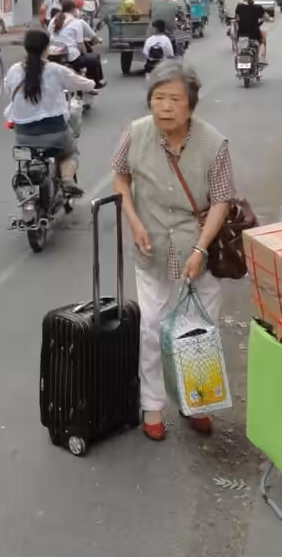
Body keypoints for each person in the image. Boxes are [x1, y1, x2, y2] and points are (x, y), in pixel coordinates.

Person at [112, 59, 235, 441]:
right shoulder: (135, 134)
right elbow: (120, 177)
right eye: (158, 98)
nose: (165, 107)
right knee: (151, 329)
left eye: (174, 99)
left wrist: (200, 248)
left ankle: (195, 402)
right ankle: (152, 407)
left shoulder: (213, 143)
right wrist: (133, 220)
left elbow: (222, 200)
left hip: (196, 250)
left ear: (191, 105)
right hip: (152, 249)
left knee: (197, 330)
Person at [3, 28, 95, 195]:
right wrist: (92, 86)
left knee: (27, 157)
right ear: (47, 47)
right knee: (70, 152)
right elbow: (83, 83)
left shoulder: (13, 71)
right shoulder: (55, 70)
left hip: (23, 136)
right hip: (54, 132)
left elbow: (8, 93)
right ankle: (67, 180)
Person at [49, 0, 105, 87]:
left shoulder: (53, 20)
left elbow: (49, 37)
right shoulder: (77, 22)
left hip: (54, 56)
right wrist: (85, 54)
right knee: (94, 58)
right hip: (72, 58)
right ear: (74, 9)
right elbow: (80, 45)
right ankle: (94, 84)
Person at [234, 0, 270, 64]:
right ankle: (261, 59)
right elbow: (266, 17)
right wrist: (268, 19)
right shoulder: (258, 7)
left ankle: (241, 59)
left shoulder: (239, 7)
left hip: (242, 33)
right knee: (263, 40)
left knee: (241, 47)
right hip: (254, 33)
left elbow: (236, 17)